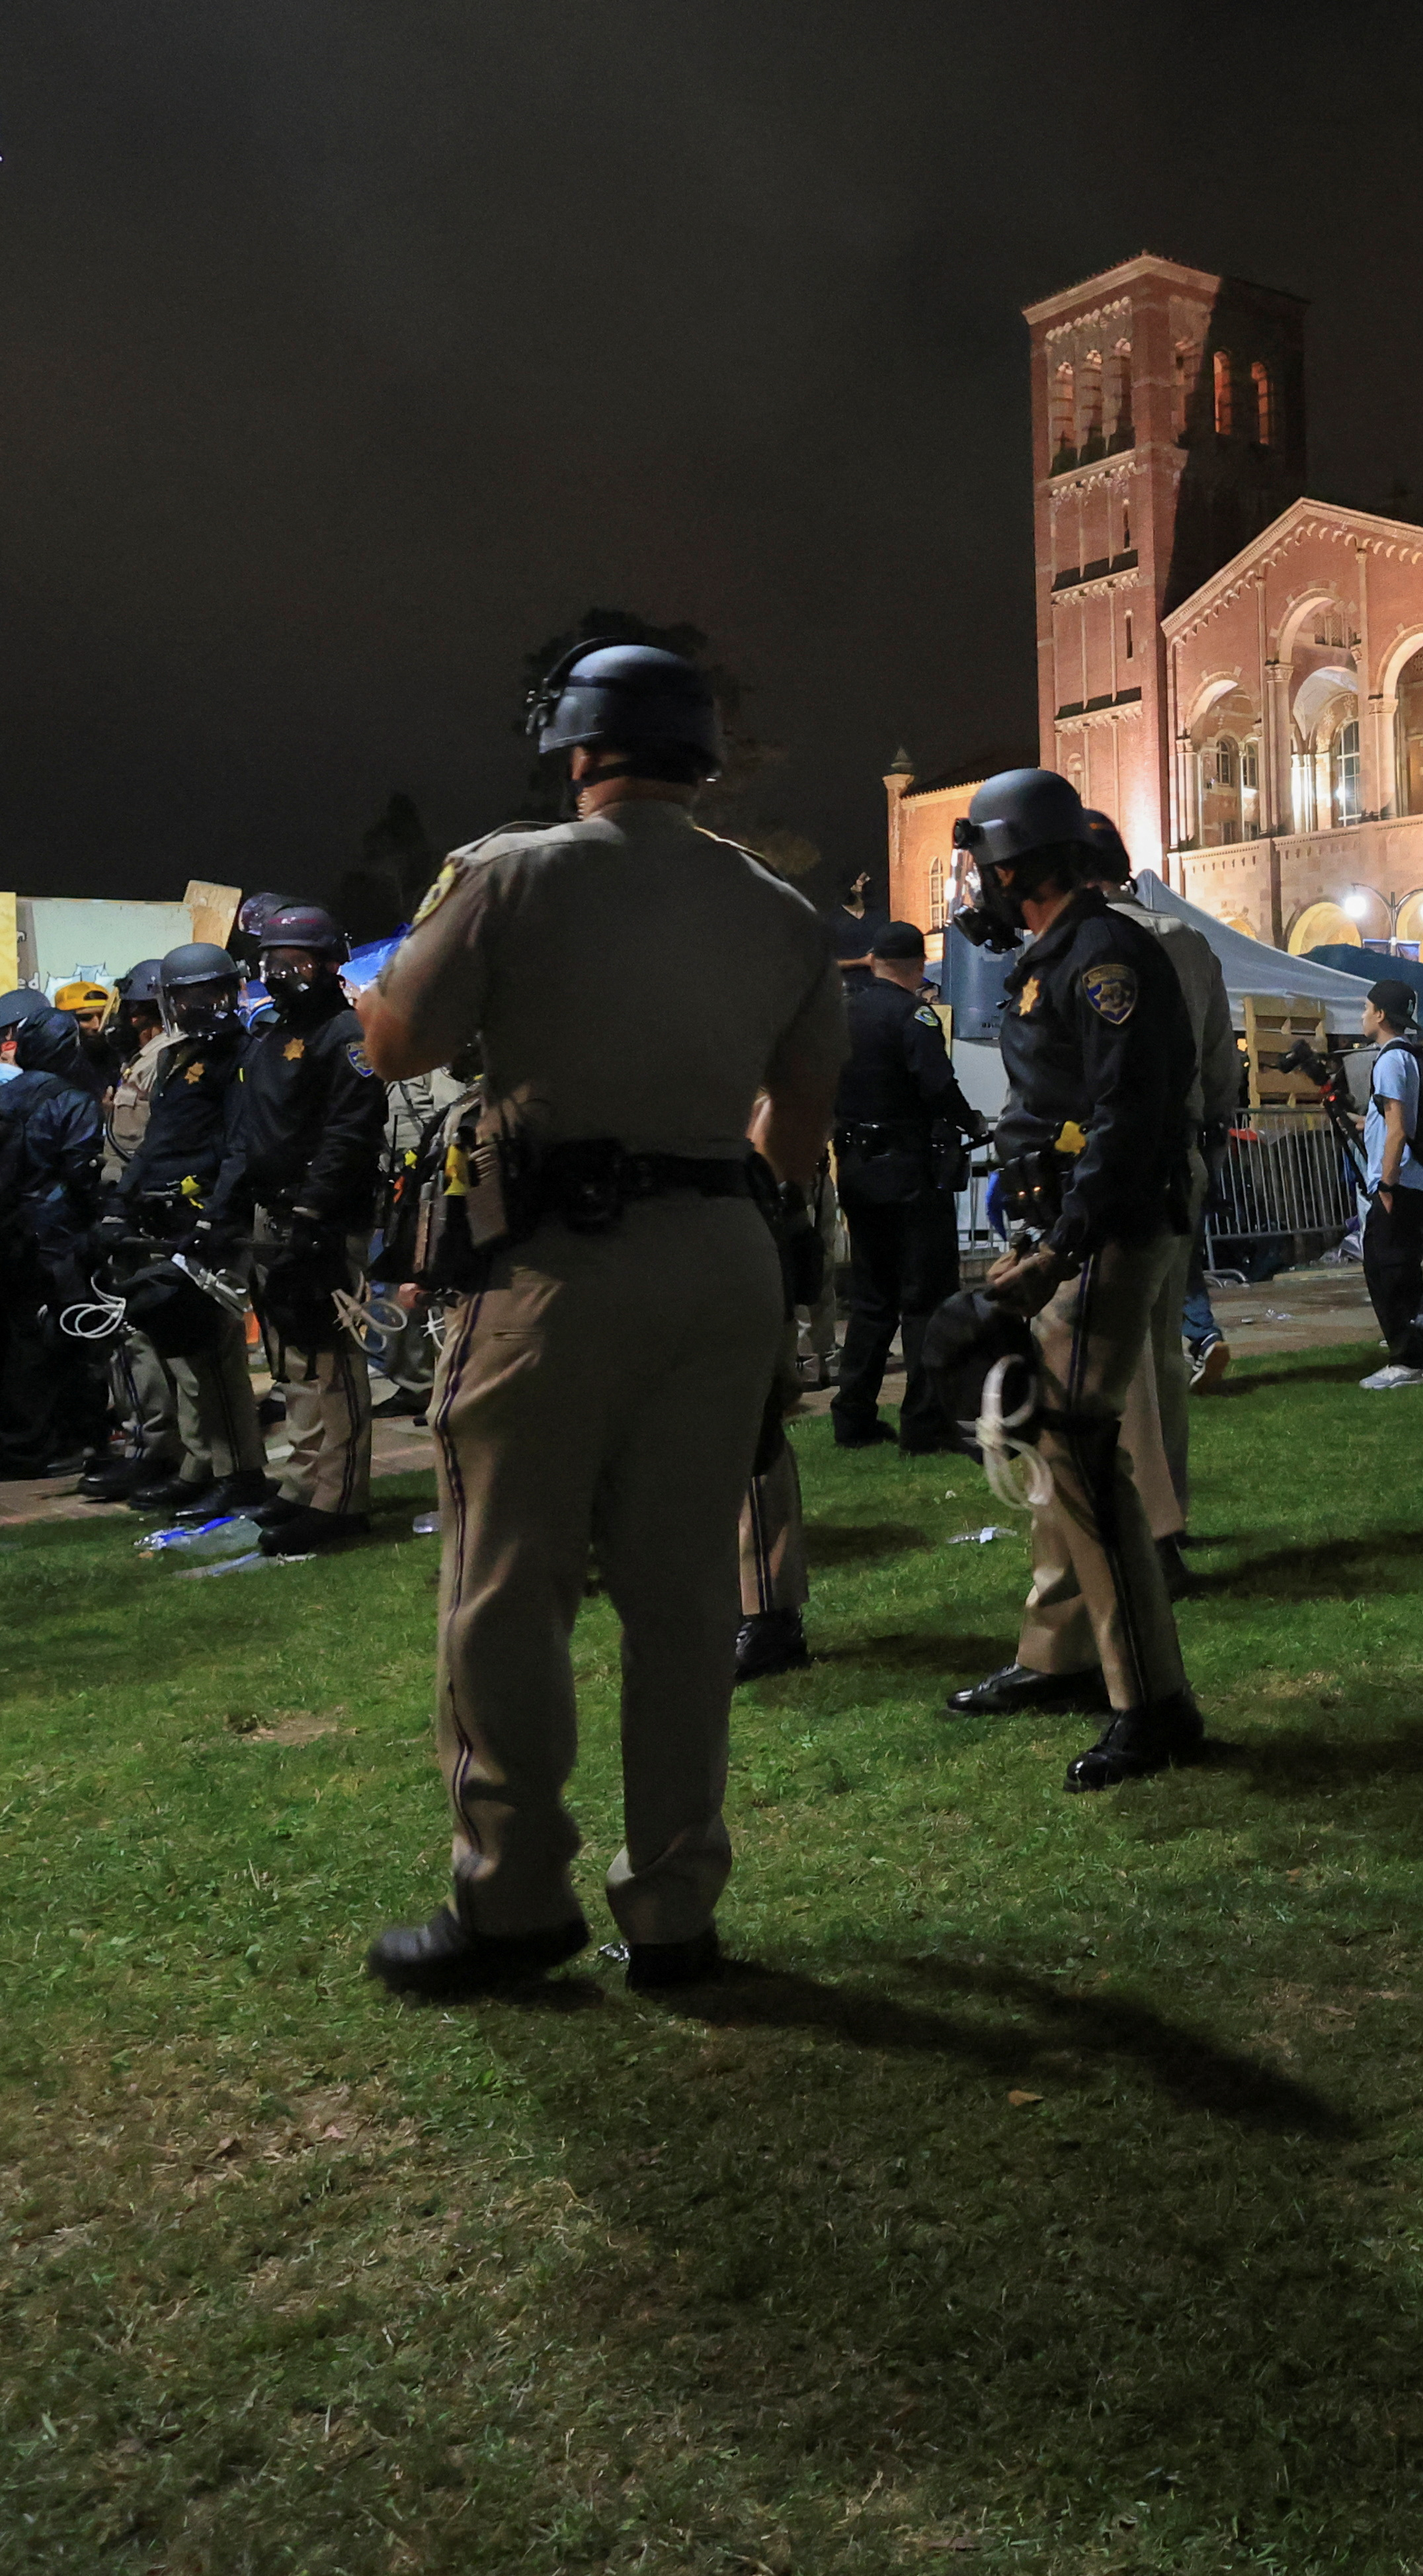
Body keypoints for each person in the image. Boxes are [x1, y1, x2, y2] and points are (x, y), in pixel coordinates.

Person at [354, 638, 845, 1995]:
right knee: (686, 1593)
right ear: (703, 759)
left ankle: (513, 1896)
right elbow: (795, 1140)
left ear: (578, 751)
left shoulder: (510, 872)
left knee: (507, 1586)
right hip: (722, 1252)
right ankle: (675, 1907)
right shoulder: (786, 913)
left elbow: (401, 1046)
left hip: (556, 1262)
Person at [937, 768, 1206, 1792]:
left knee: (1085, 1452)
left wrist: (1068, 1240)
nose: (982, 887)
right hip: (1072, 1223)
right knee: (1057, 1442)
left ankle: (1152, 1698)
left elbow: (1127, 1118)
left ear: (1022, 864)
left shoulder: (1103, 956)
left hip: (1105, 1230)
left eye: (989, 865)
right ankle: (1058, 1654)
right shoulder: (1064, 953)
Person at [213, 905, 387, 1556]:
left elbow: (349, 1133)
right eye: (274, 962)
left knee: (329, 1358)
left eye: (298, 962)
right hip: (273, 1214)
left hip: (320, 1217)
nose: (284, 973)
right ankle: (307, 1481)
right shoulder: (273, 1036)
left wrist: (314, 1213)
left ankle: (340, 1500)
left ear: (329, 964)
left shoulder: (345, 1034)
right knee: (291, 1358)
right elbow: (252, 1135)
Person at [1094, 826, 1235, 1587]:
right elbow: (1220, 1055)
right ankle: (1167, 1513)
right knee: (1160, 1346)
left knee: (1108, 1354)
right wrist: (1208, 1138)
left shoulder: (1088, 944)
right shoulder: (1185, 940)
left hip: (1107, 1160)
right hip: (1177, 1150)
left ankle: (1130, 1522)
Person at [117, 941, 272, 1519]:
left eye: (212, 991)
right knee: (184, 1356)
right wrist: (123, 1200)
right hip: (165, 1220)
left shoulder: (243, 1054)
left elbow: (238, 1145)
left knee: (214, 1354)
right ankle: (204, 1463)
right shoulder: (178, 1057)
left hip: (206, 1221)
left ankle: (241, 1472)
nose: (202, 1004)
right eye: (188, 994)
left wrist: (215, 1217)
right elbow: (159, 1140)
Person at [826, 917, 985, 1454]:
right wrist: (973, 1122)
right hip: (909, 1175)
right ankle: (925, 1420)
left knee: (872, 1300)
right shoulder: (912, 1015)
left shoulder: (842, 1013)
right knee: (926, 1301)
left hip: (857, 1170)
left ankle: (853, 1414)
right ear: (919, 967)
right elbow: (936, 1085)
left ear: (873, 961)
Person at [75, 958, 180, 1501]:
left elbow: (148, 1143)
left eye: (134, 1008)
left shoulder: (164, 1058)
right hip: (140, 1206)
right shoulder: (150, 1058)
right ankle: (163, 1445)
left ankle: (155, 1447)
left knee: (140, 1334)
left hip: (146, 1211)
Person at [0, 992, 109, 1481]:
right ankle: (66, 1439)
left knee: (19, 1343)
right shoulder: (72, 1101)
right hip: (58, 1239)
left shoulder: (6, 1095)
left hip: (11, 1235)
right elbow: (83, 1175)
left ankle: (25, 1440)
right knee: (69, 1340)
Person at [1353, 980, 1423, 1391]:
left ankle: (1406, 1362)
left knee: (1386, 1271)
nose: (1362, 1015)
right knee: (1402, 1270)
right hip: (1412, 1182)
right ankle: (1419, 1351)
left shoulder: (1390, 1061)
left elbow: (1396, 1131)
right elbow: (1393, 1121)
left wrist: (1386, 1185)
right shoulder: (1407, 1057)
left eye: (1366, 1008)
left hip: (1397, 1184)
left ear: (1379, 1015)